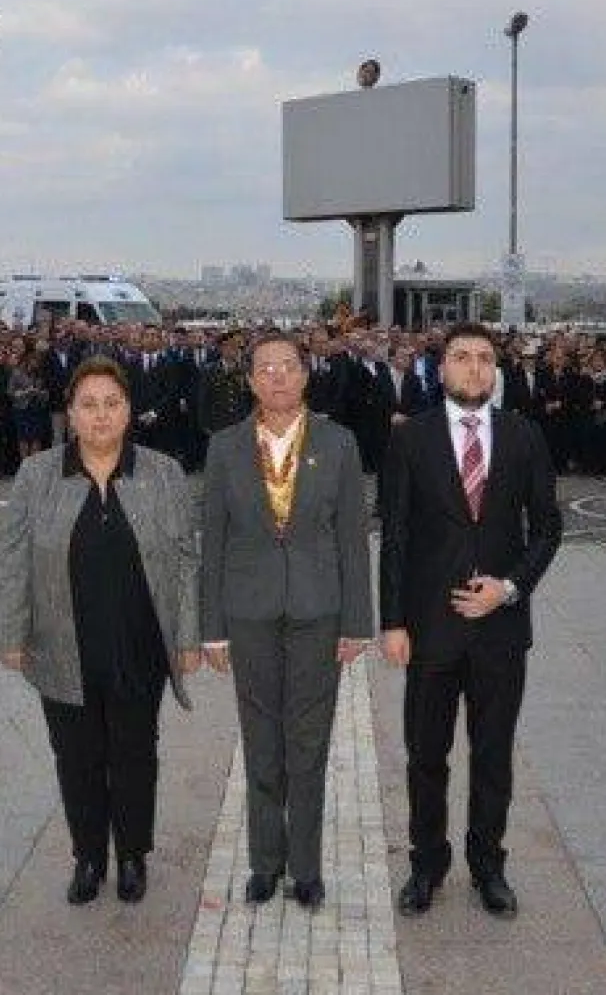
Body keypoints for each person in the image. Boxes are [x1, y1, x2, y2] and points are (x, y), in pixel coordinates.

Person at [0, 356, 201, 906]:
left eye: (111, 404)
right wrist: (9, 632)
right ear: (70, 413)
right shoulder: (37, 476)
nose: (101, 416)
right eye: (88, 405)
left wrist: (188, 636)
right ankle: (88, 856)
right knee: (76, 756)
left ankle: (132, 855)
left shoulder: (162, 473)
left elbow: (184, 560)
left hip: (140, 643)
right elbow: (13, 558)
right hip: (64, 643)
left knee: (135, 753)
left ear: (129, 411)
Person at [379, 322, 563, 919]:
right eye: (462, 358)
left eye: (485, 359)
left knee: (493, 756)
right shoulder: (411, 439)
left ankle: (489, 865)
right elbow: (397, 537)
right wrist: (394, 622)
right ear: (442, 367)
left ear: (496, 370)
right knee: (426, 756)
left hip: (501, 632)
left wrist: (510, 588)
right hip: (431, 629)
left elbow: (548, 527)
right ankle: (426, 864)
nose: (475, 369)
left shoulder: (523, 435)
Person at [199, 331, 373, 911]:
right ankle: (265, 863)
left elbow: (352, 536)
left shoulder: (338, 443)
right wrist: (212, 627)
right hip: (248, 613)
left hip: (317, 612)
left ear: (306, 375)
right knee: (261, 740)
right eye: (264, 368)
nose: (276, 376)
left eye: (287, 366)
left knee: (308, 742)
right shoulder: (224, 447)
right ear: (249, 380)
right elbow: (214, 543)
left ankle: (305, 867)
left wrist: (357, 622)